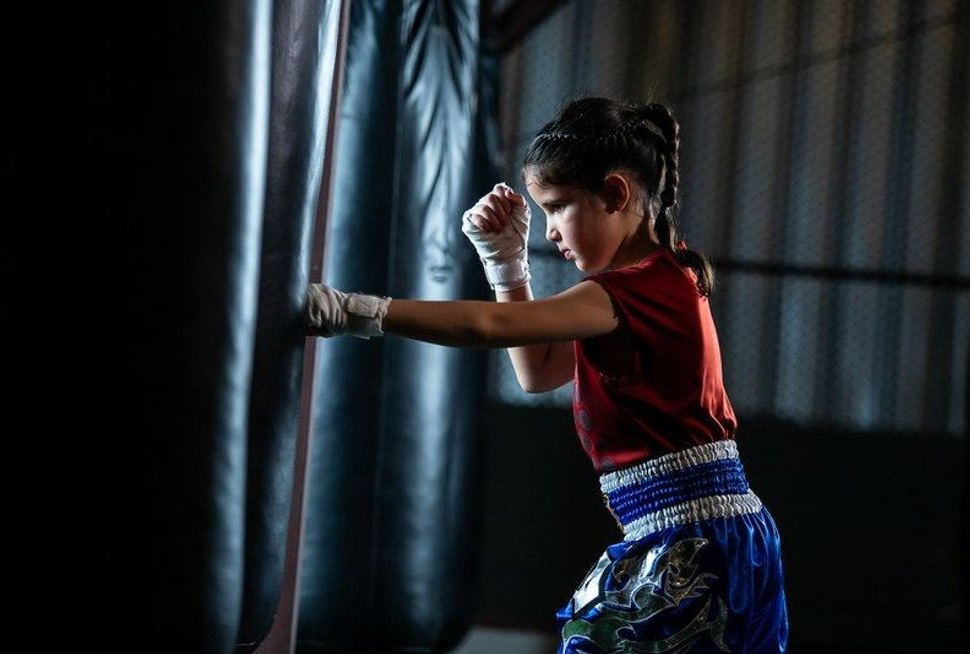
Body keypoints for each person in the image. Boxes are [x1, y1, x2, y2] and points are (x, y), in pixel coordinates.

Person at [305, 96, 789, 653]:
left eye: (558, 207)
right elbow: (537, 370)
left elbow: (490, 325)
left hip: (697, 545)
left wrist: (357, 311)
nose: (551, 231)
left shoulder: (642, 291)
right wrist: (507, 265)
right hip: (689, 537)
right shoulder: (650, 281)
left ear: (615, 194)